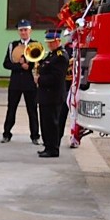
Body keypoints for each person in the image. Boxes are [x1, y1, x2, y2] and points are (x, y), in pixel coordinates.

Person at [1, 19, 40, 144]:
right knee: (11, 109)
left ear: (30, 31)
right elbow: (6, 64)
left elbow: (39, 62)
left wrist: (29, 66)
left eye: (25, 30)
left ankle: (35, 136)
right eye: (21, 30)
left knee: (32, 110)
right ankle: (7, 134)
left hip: (30, 83)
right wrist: (19, 66)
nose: (23, 32)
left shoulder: (36, 45)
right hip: (16, 82)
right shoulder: (13, 45)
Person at [36, 29, 69, 158]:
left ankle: (53, 148)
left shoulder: (60, 56)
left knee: (52, 123)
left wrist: (39, 79)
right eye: (48, 42)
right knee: (45, 122)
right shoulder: (52, 55)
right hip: (46, 95)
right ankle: (47, 146)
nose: (49, 45)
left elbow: (56, 78)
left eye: (51, 42)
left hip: (53, 95)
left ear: (58, 41)